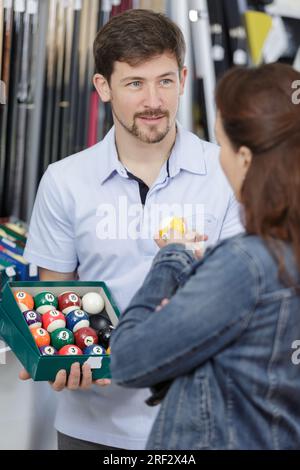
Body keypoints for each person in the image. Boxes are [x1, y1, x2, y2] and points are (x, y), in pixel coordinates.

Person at [21, 9, 242, 450]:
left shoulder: (227, 173)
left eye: (164, 81)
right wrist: (58, 356)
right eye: (135, 84)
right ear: (103, 87)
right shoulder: (65, 180)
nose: (154, 101)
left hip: (202, 426)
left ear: (182, 78)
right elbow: (56, 303)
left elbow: (241, 303)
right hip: (92, 429)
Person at [110, 63, 300, 450]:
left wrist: (173, 260)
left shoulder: (248, 266)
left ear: (245, 159)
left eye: (222, 146)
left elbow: (127, 359)